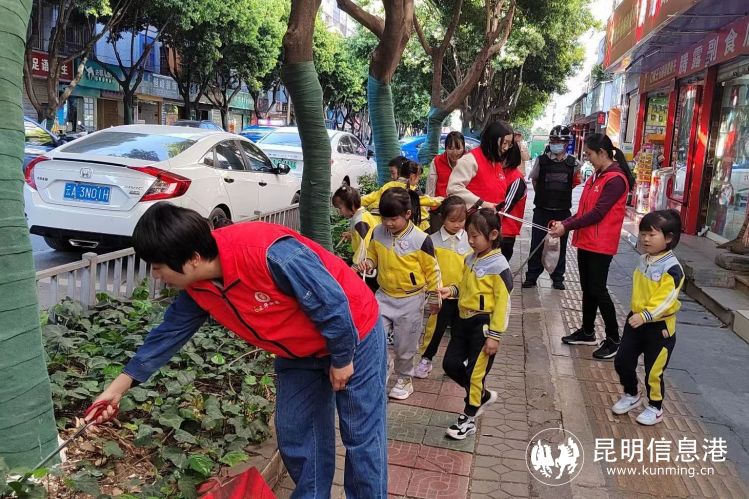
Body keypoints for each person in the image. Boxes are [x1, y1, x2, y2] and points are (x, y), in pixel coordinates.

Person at [87, 202, 387, 498]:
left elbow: (332, 303)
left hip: (353, 334)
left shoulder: (267, 253)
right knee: (297, 433)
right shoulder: (197, 286)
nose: (155, 275)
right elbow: (167, 334)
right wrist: (117, 388)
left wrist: (342, 358)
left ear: (193, 259)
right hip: (298, 352)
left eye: (158, 267)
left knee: (360, 434)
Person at [550, 133, 629, 360]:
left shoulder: (615, 180)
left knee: (598, 289)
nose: (588, 159)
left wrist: (567, 226)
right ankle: (587, 331)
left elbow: (598, 213)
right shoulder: (597, 176)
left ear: (602, 153)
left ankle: (614, 339)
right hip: (587, 241)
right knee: (587, 288)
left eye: (589, 154)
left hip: (601, 243)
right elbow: (584, 211)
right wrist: (565, 223)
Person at [358, 187, 441, 400]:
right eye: (384, 218)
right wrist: (368, 263)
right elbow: (372, 254)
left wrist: (435, 297)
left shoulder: (421, 239)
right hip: (383, 296)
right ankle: (381, 372)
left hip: (411, 300)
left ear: (408, 214)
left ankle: (405, 379)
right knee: (375, 337)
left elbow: (433, 271)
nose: (388, 223)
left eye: (393, 219)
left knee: (405, 345)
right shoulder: (377, 232)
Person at [438, 208, 511, 439]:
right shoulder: (471, 258)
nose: (470, 240)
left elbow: (503, 303)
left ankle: (469, 418)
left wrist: (495, 335)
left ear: (493, 235)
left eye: (475, 236)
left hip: (484, 327)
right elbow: (464, 286)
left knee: (475, 374)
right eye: (468, 235)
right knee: (450, 364)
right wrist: (452, 290)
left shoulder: (499, 266)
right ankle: (481, 395)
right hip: (462, 322)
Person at [612, 210, 684, 426]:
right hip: (636, 322)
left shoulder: (673, 268)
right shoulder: (643, 259)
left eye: (652, 235)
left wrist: (646, 315)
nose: (645, 239)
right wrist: (638, 314)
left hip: (659, 328)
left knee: (654, 371)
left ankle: (655, 407)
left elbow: (666, 300)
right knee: (622, 360)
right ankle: (631, 393)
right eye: (643, 234)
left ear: (668, 238)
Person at [415, 196, 471, 379]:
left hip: (463, 296)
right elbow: (426, 268)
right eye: (452, 220)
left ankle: (458, 362)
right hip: (440, 296)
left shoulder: (470, 240)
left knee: (460, 331)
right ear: (442, 217)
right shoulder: (431, 241)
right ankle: (426, 358)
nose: (457, 225)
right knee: (434, 330)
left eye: (461, 220)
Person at [523, 125, 581, 290]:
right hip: (542, 210)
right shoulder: (541, 161)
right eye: (554, 141)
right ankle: (532, 276)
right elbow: (535, 180)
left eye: (560, 141)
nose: (556, 144)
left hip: (562, 212)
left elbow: (574, 183)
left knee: (559, 246)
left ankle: (557, 278)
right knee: (537, 244)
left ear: (566, 143)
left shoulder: (574, 164)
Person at [447, 121, 514, 212]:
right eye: (504, 142)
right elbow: (454, 188)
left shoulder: (496, 162)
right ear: (492, 139)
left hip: (492, 218)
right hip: (474, 218)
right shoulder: (470, 160)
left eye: (509, 144)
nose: (506, 148)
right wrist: (481, 203)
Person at [362, 159, 442, 232]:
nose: (419, 180)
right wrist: (442, 200)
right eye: (419, 177)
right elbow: (425, 200)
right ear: (412, 176)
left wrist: (356, 201)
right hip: (399, 226)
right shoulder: (411, 190)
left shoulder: (388, 185)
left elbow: (369, 198)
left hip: (375, 221)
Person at [333, 184, 379, 291]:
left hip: (367, 264)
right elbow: (365, 236)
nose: (339, 212)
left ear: (352, 205)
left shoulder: (359, 221)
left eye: (340, 208)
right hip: (369, 259)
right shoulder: (362, 214)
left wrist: (355, 267)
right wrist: (352, 235)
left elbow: (364, 246)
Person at [425, 132, 466, 232]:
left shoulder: (469, 161)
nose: (454, 152)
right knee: (437, 238)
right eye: (450, 148)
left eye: (458, 148)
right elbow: (430, 187)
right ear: (445, 148)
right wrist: (426, 210)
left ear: (464, 147)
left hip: (463, 210)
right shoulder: (437, 161)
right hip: (440, 210)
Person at [499, 143, 527, 261]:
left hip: (504, 232)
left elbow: (505, 208)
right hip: (493, 229)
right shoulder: (500, 172)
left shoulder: (516, 179)